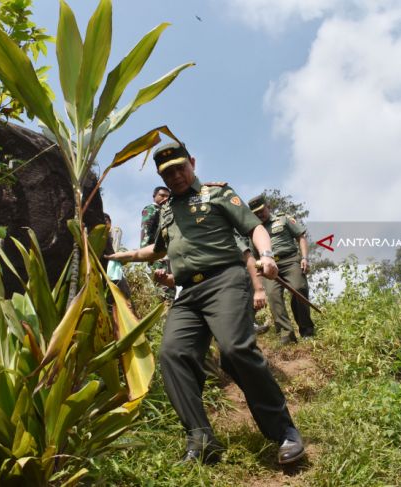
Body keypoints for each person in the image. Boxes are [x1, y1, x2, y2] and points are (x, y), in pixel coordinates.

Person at [108, 140, 304, 466]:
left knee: (234, 350)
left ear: (193, 163)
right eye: (167, 173)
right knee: (173, 355)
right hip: (187, 294)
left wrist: (267, 255)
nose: (175, 177)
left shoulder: (217, 194)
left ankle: (284, 431)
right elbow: (156, 251)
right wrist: (124, 256)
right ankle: (201, 440)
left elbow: (254, 227)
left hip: (225, 280)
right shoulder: (167, 210)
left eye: (180, 168)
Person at [247, 195, 315, 344]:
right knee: (273, 296)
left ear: (268, 207)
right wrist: (259, 276)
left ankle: (307, 331)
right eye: (255, 213)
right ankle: (287, 335)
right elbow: (253, 256)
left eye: (261, 210)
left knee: (299, 288)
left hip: (290, 260)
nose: (259, 214)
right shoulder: (253, 230)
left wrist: (304, 258)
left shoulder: (283, 219)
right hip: (268, 266)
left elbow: (301, 236)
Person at [140, 186, 175, 301]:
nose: (165, 198)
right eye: (162, 195)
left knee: (170, 289)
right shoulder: (152, 209)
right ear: (154, 196)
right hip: (156, 255)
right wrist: (148, 256)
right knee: (161, 290)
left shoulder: (167, 212)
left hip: (168, 256)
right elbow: (146, 233)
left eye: (167, 196)